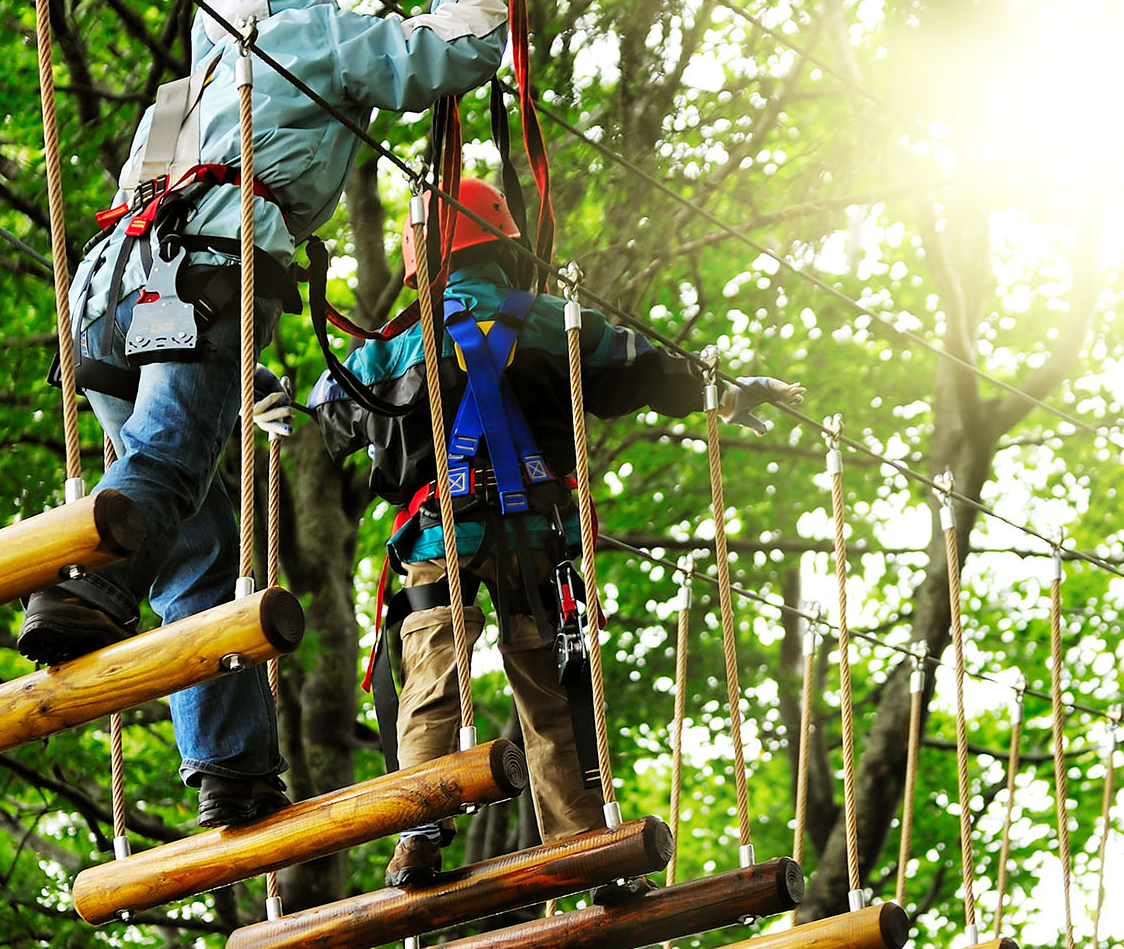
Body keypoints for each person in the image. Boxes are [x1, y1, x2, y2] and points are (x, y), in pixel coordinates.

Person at [15, 0, 508, 830]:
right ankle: (85, 584)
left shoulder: (179, 100)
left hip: (105, 302)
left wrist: (243, 375)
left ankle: (230, 766)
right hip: (205, 271)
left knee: (196, 545)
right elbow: (467, 43)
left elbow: (166, 263)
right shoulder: (302, 38)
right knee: (168, 460)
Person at [307, 178, 802, 894]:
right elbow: (648, 369)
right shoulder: (559, 324)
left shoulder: (391, 351)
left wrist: (271, 399)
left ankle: (418, 833)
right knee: (555, 696)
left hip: (439, 540)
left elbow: (329, 406)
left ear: (422, 265)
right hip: (537, 539)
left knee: (431, 676)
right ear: (509, 251)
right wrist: (723, 391)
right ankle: (584, 847)